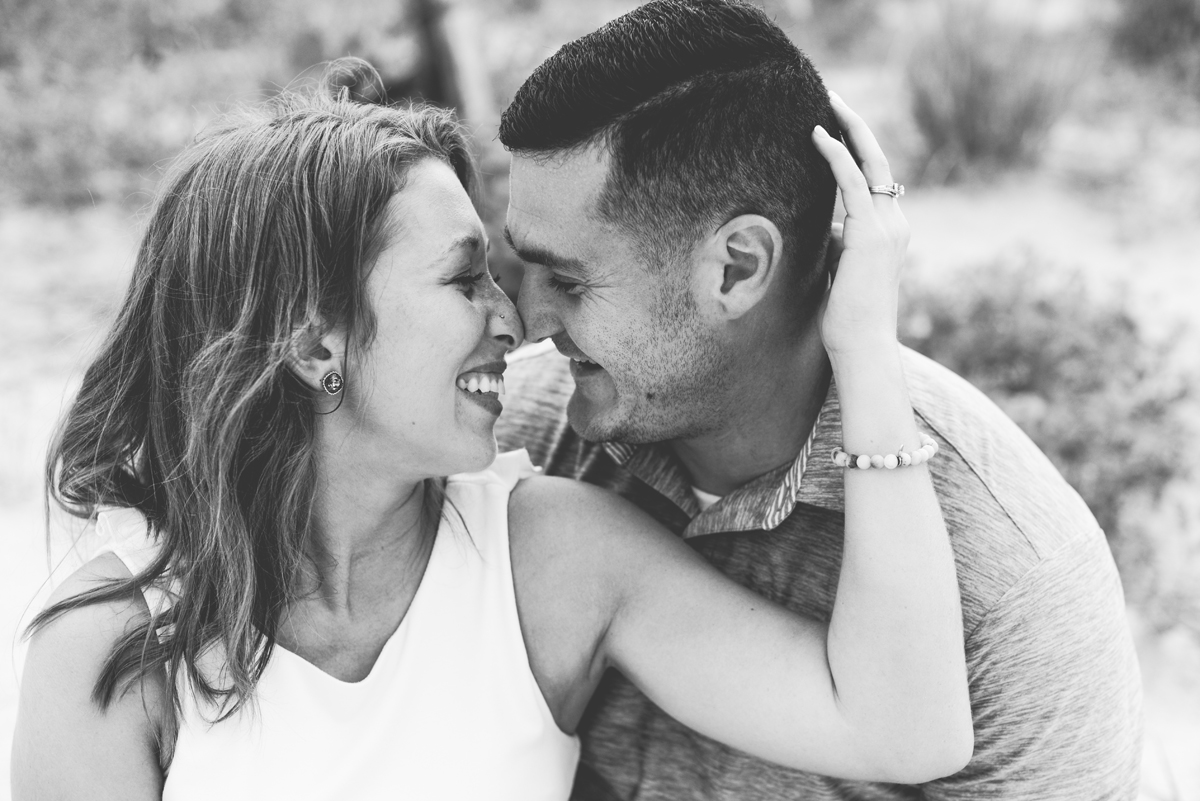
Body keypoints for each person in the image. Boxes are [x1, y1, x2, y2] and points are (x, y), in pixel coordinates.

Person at [10, 59, 971, 800]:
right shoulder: (115, 648)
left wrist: (865, 355)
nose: (515, 322)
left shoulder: (551, 560)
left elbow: (902, 726)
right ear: (313, 341)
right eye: (464, 278)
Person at [494, 1, 1143, 800]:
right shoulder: (513, 436)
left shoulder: (1011, 576)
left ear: (736, 268)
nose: (529, 319)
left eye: (567, 279)